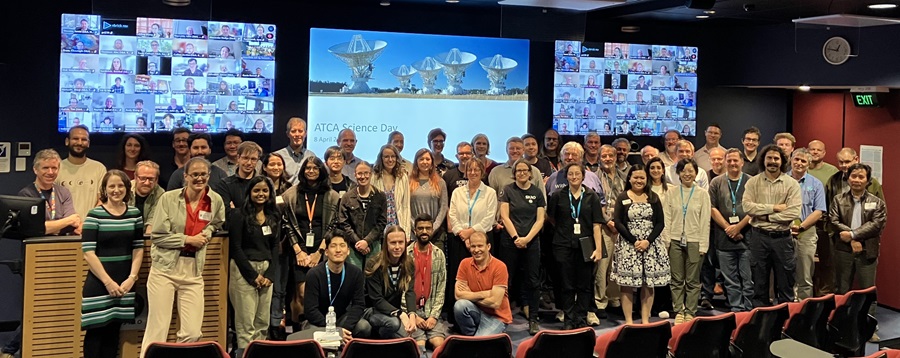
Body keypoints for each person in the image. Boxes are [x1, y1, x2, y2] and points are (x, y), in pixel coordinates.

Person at [141, 157, 226, 355]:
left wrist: (208, 232)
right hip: (165, 269)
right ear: (185, 176)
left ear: (209, 176)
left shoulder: (215, 200)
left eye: (203, 174)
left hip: (193, 270)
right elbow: (158, 237)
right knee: (157, 329)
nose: (199, 178)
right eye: (194, 174)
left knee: (192, 332)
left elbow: (217, 222)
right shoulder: (169, 199)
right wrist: (188, 240)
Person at [80, 170, 144, 358]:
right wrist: (108, 282)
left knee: (114, 333)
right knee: (95, 333)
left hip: (124, 284)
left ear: (127, 188)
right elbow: (88, 253)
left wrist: (132, 278)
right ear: (105, 190)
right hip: (100, 284)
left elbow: (138, 248)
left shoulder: (134, 214)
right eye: (112, 186)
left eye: (120, 186)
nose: (116, 190)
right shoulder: (94, 215)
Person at [281, 156, 341, 328]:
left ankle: (316, 328)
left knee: (318, 292)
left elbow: (333, 225)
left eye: (315, 168)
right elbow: (288, 224)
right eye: (308, 168)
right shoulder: (291, 194)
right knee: (300, 293)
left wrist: (319, 253)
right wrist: (298, 251)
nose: (311, 171)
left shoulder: (331, 196)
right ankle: (299, 331)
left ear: (321, 171)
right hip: (298, 249)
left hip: (321, 249)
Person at [829, 163, 886, 342]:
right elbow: (833, 220)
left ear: (868, 181)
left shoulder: (877, 203)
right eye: (854, 176)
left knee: (868, 290)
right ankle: (839, 325)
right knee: (841, 289)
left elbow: (877, 224)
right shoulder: (838, 199)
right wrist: (852, 239)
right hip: (843, 249)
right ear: (848, 178)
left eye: (861, 177)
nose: (857, 180)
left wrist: (854, 235)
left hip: (867, 250)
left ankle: (869, 328)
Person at [547, 163, 605, 329]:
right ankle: (569, 318)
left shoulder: (591, 196)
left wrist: (598, 248)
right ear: (566, 176)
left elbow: (596, 224)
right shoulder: (558, 195)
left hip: (586, 244)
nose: (574, 177)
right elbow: (551, 218)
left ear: (583, 176)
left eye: (577, 174)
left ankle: (580, 318)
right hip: (563, 244)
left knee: (584, 283)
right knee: (566, 283)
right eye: (570, 174)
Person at [742, 145, 801, 307]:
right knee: (759, 285)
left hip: (782, 240)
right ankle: (761, 326)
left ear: (782, 161)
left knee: (785, 284)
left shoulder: (791, 184)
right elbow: (747, 207)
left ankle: (784, 326)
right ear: (763, 160)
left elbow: (793, 213)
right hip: (758, 238)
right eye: (769, 158)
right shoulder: (753, 182)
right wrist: (774, 208)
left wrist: (764, 215)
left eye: (776, 158)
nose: (772, 162)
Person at [227, 176, 280, 356]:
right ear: (249, 192)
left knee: (262, 323)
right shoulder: (238, 215)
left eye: (265, 191)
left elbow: (274, 246)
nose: (261, 194)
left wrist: (270, 275)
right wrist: (252, 276)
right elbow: (235, 247)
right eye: (256, 190)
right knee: (246, 324)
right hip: (244, 271)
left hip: (266, 271)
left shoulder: (273, 215)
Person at [611, 164, 668, 324]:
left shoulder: (653, 197)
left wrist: (647, 241)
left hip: (650, 245)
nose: (639, 180)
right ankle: (629, 321)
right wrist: (634, 241)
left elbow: (660, 223)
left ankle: (645, 320)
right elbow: (618, 222)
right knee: (627, 285)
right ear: (629, 178)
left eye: (642, 177)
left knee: (648, 284)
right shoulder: (623, 197)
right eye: (635, 177)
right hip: (629, 246)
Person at [498, 159, 546, 334]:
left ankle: (533, 318)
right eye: (518, 170)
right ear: (514, 173)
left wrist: (527, 239)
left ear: (530, 173)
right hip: (510, 241)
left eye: (525, 170)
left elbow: (540, 219)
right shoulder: (508, 190)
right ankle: (502, 317)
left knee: (533, 281)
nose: (522, 173)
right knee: (506, 280)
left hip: (532, 242)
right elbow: (505, 216)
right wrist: (517, 237)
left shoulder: (537, 192)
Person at [299, 231, 371, 342]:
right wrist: (334, 331)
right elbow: (310, 310)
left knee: (364, 327)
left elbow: (359, 305)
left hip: (341, 319)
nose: (338, 250)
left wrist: (344, 329)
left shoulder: (355, 273)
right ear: (326, 252)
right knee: (312, 337)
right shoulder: (314, 274)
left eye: (342, 246)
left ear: (348, 251)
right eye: (333, 246)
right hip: (318, 322)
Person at [665, 159, 710, 324]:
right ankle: (679, 310)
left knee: (692, 280)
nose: (687, 174)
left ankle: (690, 310)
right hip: (675, 240)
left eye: (691, 171)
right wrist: (667, 241)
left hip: (695, 240)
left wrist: (703, 245)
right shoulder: (671, 193)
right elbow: (667, 218)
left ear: (696, 173)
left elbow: (705, 221)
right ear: (678, 173)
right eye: (684, 171)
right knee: (676, 278)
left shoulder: (702, 194)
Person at [708, 149, 753, 312]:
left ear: (742, 162)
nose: (733, 163)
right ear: (725, 162)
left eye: (736, 160)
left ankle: (748, 308)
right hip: (724, 238)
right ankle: (736, 307)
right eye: (729, 160)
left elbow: (755, 209)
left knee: (748, 278)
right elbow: (712, 208)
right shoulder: (716, 182)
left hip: (747, 238)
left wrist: (738, 227)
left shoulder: (751, 182)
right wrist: (729, 228)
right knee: (730, 279)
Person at [454, 232, 513, 335]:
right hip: (477, 312)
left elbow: (495, 303)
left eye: (480, 246)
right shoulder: (464, 263)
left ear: (488, 246)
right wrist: (486, 293)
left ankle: (477, 339)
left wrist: (470, 294)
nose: (476, 250)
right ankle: (471, 335)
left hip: (497, 317)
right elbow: (458, 296)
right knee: (460, 305)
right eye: (473, 246)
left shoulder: (500, 266)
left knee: (479, 343)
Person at [786, 148, 826, 300]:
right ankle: (785, 306)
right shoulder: (782, 180)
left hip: (806, 231)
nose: (799, 163)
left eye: (803, 161)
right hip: (783, 230)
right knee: (784, 273)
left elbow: (819, 210)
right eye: (796, 159)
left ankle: (803, 309)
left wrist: (801, 227)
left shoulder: (816, 184)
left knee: (805, 274)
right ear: (791, 160)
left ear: (809, 164)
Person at [364, 226, 417, 338]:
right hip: (372, 310)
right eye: (393, 243)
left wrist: (412, 315)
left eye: (400, 242)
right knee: (394, 324)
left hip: (392, 312)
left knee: (409, 339)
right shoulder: (374, 264)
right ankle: (378, 336)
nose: (397, 247)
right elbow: (376, 299)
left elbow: (410, 292)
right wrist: (401, 314)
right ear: (386, 244)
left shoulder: (409, 263)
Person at [332, 161, 387, 268]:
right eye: (360, 174)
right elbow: (344, 223)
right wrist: (358, 243)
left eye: (366, 173)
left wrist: (367, 241)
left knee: (373, 279)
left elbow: (382, 222)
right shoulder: (347, 197)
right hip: (353, 246)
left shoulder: (380, 196)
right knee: (354, 278)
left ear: (371, 174)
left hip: (374, 245)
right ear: (355, 175)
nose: (363, 177)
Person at [407, 214, 448, 350]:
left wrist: (434, 316)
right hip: (413, 313)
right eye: (421, 228)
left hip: (431, 311)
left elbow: (441, 289)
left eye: (428, 228)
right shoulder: (406, 255)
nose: (424, 231)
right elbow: (402, 290)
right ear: (415, 231)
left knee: (440, 345)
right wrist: (413, 315)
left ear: (432, 230)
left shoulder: (439, 254)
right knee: (419, 347)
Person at [18, 149, 81, 235]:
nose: (50, 172)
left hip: (62, 244)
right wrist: (68, 221)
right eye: (45, 168)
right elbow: (33, 229)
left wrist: (47, 228)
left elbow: (72, 226)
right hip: (35, 246)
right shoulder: (26, 195)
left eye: (54, 168)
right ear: (35, 170)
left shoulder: (64, 192)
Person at [449, 159, 498, 258]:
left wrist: (470, 233)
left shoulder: (490, 192)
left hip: (483, 240)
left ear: (482, 172)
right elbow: (452, 215)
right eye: (469, 170)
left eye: (476, 170)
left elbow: (489, 218)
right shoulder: (457, 192)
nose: (473, 173)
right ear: (466, 172)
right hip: (460, 240)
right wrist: (464, 236)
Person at [56, 125, 107, 220]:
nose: (79, 143)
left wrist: (89, 222)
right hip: (65, 228)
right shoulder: (56, 168)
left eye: (84, 139)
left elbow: (102, 200)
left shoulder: (99, 168)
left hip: (91, 225)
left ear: (88, 143)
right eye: (75, 138)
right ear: (67, 141)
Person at [409, 149, 449, 250]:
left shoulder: (440, 182)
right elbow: (405, 207)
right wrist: (416, 227)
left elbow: (443, 207)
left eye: (427, 159)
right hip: (414, 234)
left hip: (436, 234)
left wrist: (433, 228)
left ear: (432, 162)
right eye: (421, 159)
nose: (425, 162)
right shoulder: (408, 182)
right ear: (416, 162)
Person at [213, 141, 263, 216]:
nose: (249, 163)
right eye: (245, 158)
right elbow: (226, 214)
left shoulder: (263, 184)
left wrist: (236, 211)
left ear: (258, 160)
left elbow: (267, 212)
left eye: (253, 159)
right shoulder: (225, 184)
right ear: (238, 158)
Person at [373, 144, 412, 236]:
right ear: (381, 158)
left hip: (398, 226)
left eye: (393, 156)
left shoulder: (402, 177)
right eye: (386, 157)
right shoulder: (374, 177)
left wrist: (406, 233)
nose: (390, 160)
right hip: (378, 227)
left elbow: (405, 206)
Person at [274, 117, 316, 185]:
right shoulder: (278, 156)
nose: (297, 134)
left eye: (300, 131)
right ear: (288, 134)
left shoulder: (311, 156)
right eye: (293, 131)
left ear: (305, 133)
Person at [129, 160, 164, 234]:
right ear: (135, 177)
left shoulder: (160, 194)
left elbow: (152, 222)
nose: (147, 183)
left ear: (157, 180)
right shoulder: (125, 189)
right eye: (143, 178)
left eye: (151, 179)